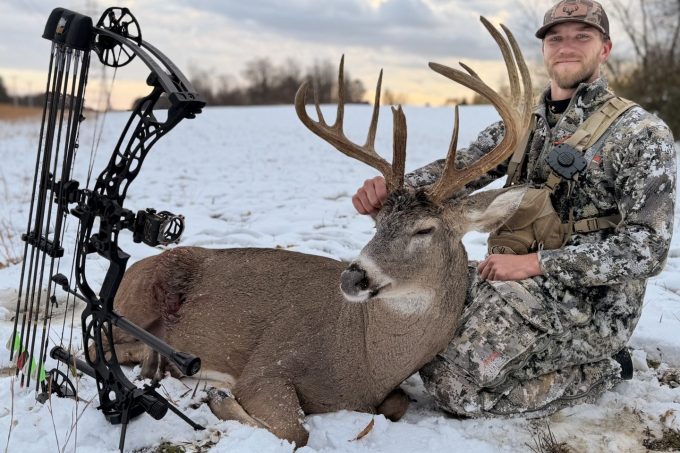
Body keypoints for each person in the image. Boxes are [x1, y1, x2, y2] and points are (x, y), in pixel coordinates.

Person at [352, 0, 676, 417]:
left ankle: (607, 367)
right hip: (511, 276)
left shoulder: (641, 133)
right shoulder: (521, 125)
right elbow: (462, 170)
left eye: (582, 36)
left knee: (453, 385)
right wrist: (396, 190)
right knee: (413, 327)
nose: (567, 46)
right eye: (556, 38)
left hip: (592, 305)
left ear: (605, 49)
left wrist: (536, 264)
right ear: (544, 50)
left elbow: (648, 249)